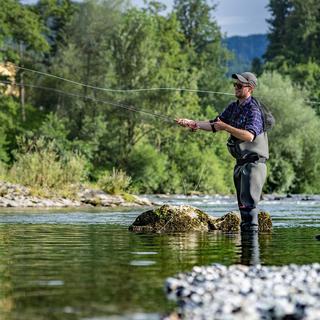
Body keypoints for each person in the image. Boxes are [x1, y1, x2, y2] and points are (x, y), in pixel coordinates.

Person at [176, 72, 270, 232]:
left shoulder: (254, 110)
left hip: (254, 164)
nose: (236, 87)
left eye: (240, 85)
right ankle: (245, 255)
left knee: (249, 210)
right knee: (243, 208)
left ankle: (251, 254)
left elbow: (249, 136)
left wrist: (226, 127)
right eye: (235, 85)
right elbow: (214, 124)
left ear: (250, 88)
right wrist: (193, 123)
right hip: (240, 165)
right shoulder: (233, 107)